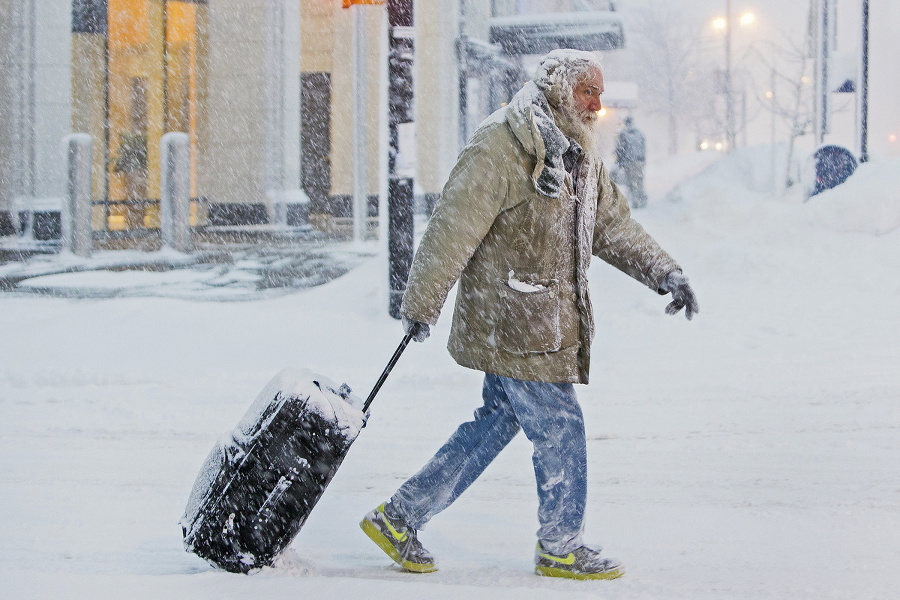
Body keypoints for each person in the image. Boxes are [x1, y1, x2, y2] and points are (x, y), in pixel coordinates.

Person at [360, 49, 698, 580]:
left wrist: (664, 272)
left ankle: (400, 516)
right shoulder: (502, 144)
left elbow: (610, 225)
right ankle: (561, 544)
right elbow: (453, 226)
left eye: (600, 92)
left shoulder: (579, 154)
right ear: (562, 91)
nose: (598, 103)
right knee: (561, 426)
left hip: (542, 317)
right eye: (589, 91)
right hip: (512, 318)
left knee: (496, 422)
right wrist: (424, 301)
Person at [614, 116, 648, 208]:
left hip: (629, 162)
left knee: (631, 182)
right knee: (640, 179)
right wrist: (643, 159)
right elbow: (643, 146)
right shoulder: (639, 133)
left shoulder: (624, 134)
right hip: (639, 161)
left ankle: (636, 201)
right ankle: (642, 198)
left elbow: (620, 149)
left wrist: (619, 162)